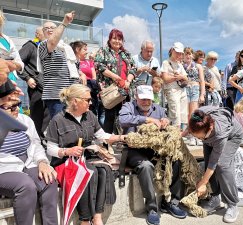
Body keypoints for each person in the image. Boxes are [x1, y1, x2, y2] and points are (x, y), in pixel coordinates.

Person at [46, 84, 125, 225]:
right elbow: (50, 148)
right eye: (87, 100)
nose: (91, 102)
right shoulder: (57, 120)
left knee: (104, 170)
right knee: (91, 171)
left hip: (85, 158)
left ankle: (97, 216)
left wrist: (121, 138)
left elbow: (102, 136)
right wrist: (66, 151)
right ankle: (84, 219)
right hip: (65, 162)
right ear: (75, 101)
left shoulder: (90, 115)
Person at [119, 85, 187, 225]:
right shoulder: (128, 106)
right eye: (143, 99)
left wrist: (166, 121)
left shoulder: (159, 109)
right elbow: (123, 120)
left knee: (175, 160)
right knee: (146, 166)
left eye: (148, 100)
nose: (146, 102)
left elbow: (167, 124)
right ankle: (152, 207)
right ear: (136, 97)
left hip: (156, 150)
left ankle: (171, 202)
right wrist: (147, 120)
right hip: (134, 150)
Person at [0, 79, 58, 225]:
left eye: (18, 105)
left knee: (49, 179)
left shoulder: (24, 120)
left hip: (26, 163)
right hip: (3, 169)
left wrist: (43, 162)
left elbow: (36, 144)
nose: (17, 110)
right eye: (11, 107)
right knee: (26, 185)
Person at [188, 106, 243, 223]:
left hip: (232, 137)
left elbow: (213, 164)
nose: (198, 139)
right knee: (207, 162)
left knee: (222, 165)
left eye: (199, 137)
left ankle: (232, 204)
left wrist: (202, 183)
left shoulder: (220, 133)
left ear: (210, 127)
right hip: (209, 137)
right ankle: (215, 198)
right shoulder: (199, 116)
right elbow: (193, 128)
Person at [39, 11, 85, 118]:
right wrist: (64, 23)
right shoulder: (44, 45)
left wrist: (81, 74)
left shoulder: (66, 48)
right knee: (60, 126)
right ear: (43, 32)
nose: (50, 29)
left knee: (73, 124)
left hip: (72, 94)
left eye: (52, 27)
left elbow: (74, 67)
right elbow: (52, 42)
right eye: (46, 28)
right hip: (56, 95)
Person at [94, 28, 136, 134]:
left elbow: (133, 68)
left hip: (125, 89)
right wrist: (115, 77)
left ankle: (122, 140)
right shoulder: (103, 51)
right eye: (114, 38)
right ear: (109, 39)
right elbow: (99, 66)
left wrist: (128, 81)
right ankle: (107, 143)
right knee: (109, 116)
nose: (117, 41)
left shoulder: (126, 54)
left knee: (125, 116)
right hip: (111, 89)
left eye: (120, 39)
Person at [18, 26, 50, 139]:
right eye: (45, 32)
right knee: (37, 115)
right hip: (36, 86)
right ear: (38, 34)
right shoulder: (31, 46)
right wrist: (27, 78)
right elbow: (17, 62)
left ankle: (42, 138)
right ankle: (35, 140)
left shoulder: (47, 47)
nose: (48, 34)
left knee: (47, 115)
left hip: (48, 86)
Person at [161, 42, 188, 129]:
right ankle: (176, 135)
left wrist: (181, 76)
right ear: (172, 50)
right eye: (177, 52)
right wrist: (177, 77)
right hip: (171, 90)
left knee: (183, 113)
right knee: (175, 112)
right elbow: (165, 79)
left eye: (180, 53)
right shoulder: (166, 62)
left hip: (182, 90)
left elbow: (186, 79)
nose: (178, 55)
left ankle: (181, 134)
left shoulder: (180, 64)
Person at [70, 41, 99, 116]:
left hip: (90, 90)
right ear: (77, 49)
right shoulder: (72, 62)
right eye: (84, 49)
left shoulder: (89, 62)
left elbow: (94, 77)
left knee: (92, 110)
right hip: (79, 90)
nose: (87, 52)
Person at [183, 47, 205, 145]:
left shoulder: (198, 66)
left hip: (195, 89)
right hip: (185, 89)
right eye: (186, 54)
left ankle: (196, 134)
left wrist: (202, 94)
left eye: (190, 53)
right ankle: (191, 135)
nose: (188, 55)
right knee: (187, 114)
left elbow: (202, 81)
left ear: (193, 55)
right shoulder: (181, 66)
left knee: (194, 113)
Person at [0, 10, 24, 82]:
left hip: (12, 81)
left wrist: (7, 63)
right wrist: (12, 63)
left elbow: (21, 65)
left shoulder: (8, 39)